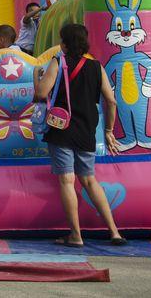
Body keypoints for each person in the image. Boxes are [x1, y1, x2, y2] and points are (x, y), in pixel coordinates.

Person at [34, 23, 127, 247]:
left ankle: (76, 235)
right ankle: (114, 231)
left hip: (61, 128)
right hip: (87, 130)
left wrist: (38, 77)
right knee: (89, 180)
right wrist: (107, 131)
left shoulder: (59, 62)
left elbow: (41, 93)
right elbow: (111, 101)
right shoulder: (97, 67)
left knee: (67, 180)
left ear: (64, 43)